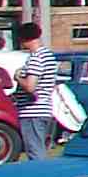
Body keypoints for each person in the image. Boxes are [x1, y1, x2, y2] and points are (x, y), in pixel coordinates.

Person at [12, 20, 62, 160]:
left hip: (32, 112)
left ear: (23, 39)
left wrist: (18, 77)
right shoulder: (48, 56)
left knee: (35, 152)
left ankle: (41, 173)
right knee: (40, 148)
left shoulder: (36, 58)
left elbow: (30, 86)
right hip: (45, 108)